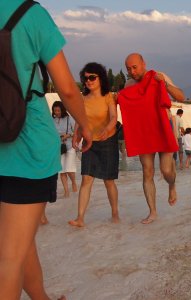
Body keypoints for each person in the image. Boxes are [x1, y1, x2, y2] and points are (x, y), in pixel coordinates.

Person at [0, 1, 92, 298]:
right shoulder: (29, 13)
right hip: (25, 147)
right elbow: (66, 88)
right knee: (9, 257)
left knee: (19, 243)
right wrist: (85, 125)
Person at [119, 53, 184, 224]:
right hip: (143, 131)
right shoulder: (129, 84)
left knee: (166, 170)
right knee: (147, 171)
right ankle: (153, 212)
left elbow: (181, 97)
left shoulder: (158, 76)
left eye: (134, 67)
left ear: (143, 64)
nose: (132, 71)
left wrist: (165, 84)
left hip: (162, 127)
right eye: (128, 69)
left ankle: (172, 185)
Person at [69, 62, 119, 227]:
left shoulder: (108, 97)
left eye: (92, 77)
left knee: (108, 181)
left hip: (108, 142)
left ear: (100, 78)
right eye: (85, 78)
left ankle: (115, 213)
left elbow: (113, 117)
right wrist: (76, 135)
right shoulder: (83, 99)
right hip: (90, 143)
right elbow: (80, 120)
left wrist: (107, 129)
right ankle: (80, 218)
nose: (88, 81)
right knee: (86, 180)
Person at [52, 101, 77, 198]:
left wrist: (68, 135)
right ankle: (66, 192)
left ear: (62, 110)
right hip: (58, 147)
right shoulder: (52, 120)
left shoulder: (69, 118)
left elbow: (76, 131)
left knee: (69, 170)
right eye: (55, 111)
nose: (57, 112)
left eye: (58, 110)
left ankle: (74, 183)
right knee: (61, 171)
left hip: (69, 146)